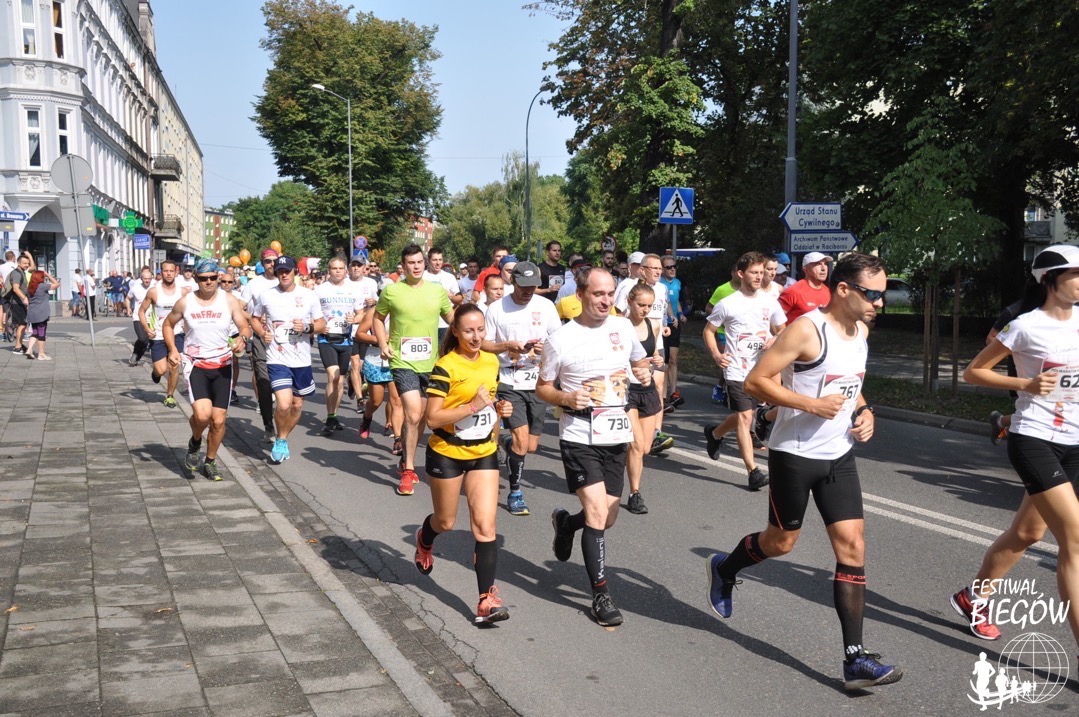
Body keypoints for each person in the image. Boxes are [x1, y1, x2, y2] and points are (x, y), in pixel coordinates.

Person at [704, 252, 902, 692]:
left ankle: (855, 659)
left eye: (883, 295)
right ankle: (725, 568)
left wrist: (865, 410)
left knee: (853, 546)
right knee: (781, 542)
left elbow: (852, 382)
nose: (880, 303)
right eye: (873, 294)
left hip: (839, 454)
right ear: (844, 290)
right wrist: (811, 404)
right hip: (794, 454)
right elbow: (756, 381)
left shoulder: (861, 331)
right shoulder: (806, 330)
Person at [950, 245, 1079, 649]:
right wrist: (1026, 384)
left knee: (1027, 532)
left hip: (1075, 441)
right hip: (1035, 437)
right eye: (1075, 273)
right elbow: (974, 372)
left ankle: (973, 597)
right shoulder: (1025, 326)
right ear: (1050, 280)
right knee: (1075, 541)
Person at [537, 268, 652, 627]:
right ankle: (601, 595)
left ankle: (567, 524)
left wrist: (644, 372)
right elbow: (543, 387)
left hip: (614, 434)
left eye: (610, 293)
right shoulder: (561, 338)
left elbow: (638, 363)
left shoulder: (622, 327)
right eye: (598, 294)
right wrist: (565, 397)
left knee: (608, 517)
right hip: (579, 435)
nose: (605, 300)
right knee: (598, 515)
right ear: (581, 295)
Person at [413, 303, 515, 624]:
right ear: (455, 331)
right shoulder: (446, 367)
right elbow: (432, 418)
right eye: (468, 331)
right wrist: (472, 406)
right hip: (447, 452)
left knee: (485, 527)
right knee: (445, 522)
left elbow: (491, 402)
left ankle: (486, 600)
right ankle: (425, 538)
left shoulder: (491, 361)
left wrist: (500, 409)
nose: (476, 336)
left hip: (483, 452)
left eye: (480, 330)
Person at [482, 261, 562, 516]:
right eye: (523, 286)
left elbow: (559, 340)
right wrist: (508, 345)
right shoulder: (497, 308)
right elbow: (484, 344)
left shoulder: (546, 306)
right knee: (522, 441)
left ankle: (507, 442)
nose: (528, 291)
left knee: (530, 446)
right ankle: (515, 492)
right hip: (509, 379)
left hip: (538, 380)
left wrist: (545, 348)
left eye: (533, 286)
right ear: (512, 282)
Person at [374, 244, 455, 496]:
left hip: (431, 363)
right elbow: (378, 318)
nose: (416, 266)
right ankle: (408, 470)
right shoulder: (392, 291)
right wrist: (383, 343)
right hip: (402, 361)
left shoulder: (436, 290)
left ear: (425, 263)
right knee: (412, 412)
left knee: (420, 417)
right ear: (403, 265)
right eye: (411, 263)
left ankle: (406, 457)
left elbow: (453, 320)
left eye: (420, 262)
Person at [702, 251, 787, 490]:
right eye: (754, 272)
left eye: (761, 272)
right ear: (741, 274)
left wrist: (775, 338)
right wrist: (717, 355)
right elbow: (708, 331)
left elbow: (783, 329)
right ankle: (753, 472)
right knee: (745, 417)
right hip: (736, 370)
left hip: (762, 369)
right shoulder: (727, 304)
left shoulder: (769, 301)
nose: (759, 277)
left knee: (750, 413)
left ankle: (715, 434)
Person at [163, 259, 252, 481]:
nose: (209, 282)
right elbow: (168, 324)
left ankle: (210, 461)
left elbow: (244, 326)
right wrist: (172, 349)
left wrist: (242, 338)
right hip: (197, 365)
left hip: (223, 365)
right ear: (196, 279)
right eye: (204, 279)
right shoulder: (185, 303)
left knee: (219, 420)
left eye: (213, 278)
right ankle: (195, 442)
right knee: (202, 416)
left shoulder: (228, 300)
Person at [250, 256, 325, 464]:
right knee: (283, 405)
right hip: (277, 357)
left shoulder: (309, 296)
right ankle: (280, 441)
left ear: (295, 272)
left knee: (297, 405)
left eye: (287, 271)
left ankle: (282, 438)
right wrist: (262, 333)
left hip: (301, 359)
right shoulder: (266, 295)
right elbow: (254, 319)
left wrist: (308, 328)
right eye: (280, 271)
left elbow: (321, 324)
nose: (284, 274)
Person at [616, 254, 675, 455]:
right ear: (642, 270)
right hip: (632, 339)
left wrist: (664, 325)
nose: (658, 271)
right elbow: (617, 312)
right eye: (654, 268)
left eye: (660, 268)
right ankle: (625, 425)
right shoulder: (628, 286)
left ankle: (656, 431)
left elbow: (661, 313)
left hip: (654, 339)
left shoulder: (662, 289)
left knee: (657, 385)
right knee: (633, 385)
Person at [623, 283, 665, 514]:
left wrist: (657, 361)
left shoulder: (654, 325)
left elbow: (654, 354)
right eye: (641, 305)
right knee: (637, 445)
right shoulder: (619, 326)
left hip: (647, 389)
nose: (645, 310)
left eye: (649, 306)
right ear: (629, 301)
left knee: (646, 448)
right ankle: (635, 493)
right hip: (625, 390)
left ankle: (621, 454)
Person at [316, 256, 367, 434]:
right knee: (333, 376)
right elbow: (311, 314)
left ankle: (333, 416)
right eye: (334, 268)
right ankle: (330, 416)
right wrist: (318, 326)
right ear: (329, 270)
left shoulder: (353, 290)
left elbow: (361, 314)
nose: (337, 271)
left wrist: (355, 319)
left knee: (340, 381)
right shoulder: (320, 290)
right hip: (326, 339)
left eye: (340, 268)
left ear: (345, 270)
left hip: (346, 339)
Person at [242, 249, 281, 442]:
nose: (272, 264)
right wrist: (255, 319)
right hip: (261, 338)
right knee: (264, 383)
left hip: (284, 340)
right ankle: (269, 427)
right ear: (262, 263)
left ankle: (282, 428)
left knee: (286, 390)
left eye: (275, 261)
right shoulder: (254, 284)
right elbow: (239, 307)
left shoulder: (286, 281)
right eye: (267, 261)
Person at [139, 260, 189, 407]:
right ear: (161, 273)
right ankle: (155, 373)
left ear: (176, 272)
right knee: (161, 370)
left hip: (177, 333)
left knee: (174, 365)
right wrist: (147, 328)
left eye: (171, 271)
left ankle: (170, 396)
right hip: (159, 335)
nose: (168, 274)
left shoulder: (183, 292)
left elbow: (190, 311)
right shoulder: (154, 291)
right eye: (165, 271)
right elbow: (141, 311)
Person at [355, 305, 403, 445]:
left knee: (397, 401)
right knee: (376, 401)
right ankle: (367, 417)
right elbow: (360, 334)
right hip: (376, 359)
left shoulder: (405, 308)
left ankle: (398, 440)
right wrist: (380, 339)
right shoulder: (374, 311)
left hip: (397, 360)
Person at [660, 256, 688, 409]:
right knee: (664, 362)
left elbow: (675, 301)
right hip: (663, 325)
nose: (672, 269)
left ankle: (673, 393)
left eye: (674, 266)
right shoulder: (659, 283)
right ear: (662, 269)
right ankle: (662, 396)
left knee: (673, 360)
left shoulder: (677, 282)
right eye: (668, 267)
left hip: (675, 324)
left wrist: (681, 314)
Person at [424, 247, 465, 342]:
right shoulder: (422, 276)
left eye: (440, 260)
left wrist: (448, 294)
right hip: (427, 323)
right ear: (428, 261)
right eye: (434, 260)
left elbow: (459, 299)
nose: (438, 263)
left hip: (445, 324)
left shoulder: (449, 277)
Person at [218, 267, 247, 402]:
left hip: (234, 332)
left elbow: (243, 313)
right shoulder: (215, 295)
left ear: (234, 284)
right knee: (220, 360)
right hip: (219, 333)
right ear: (220, 282)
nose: (226, 284)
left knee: (234, 361)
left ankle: (232, 389)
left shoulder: (238, 297)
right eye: (224, 282)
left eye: (230, 282)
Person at [779, 252, 832, 323]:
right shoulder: (794, 291)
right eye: (818, 264)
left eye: (825, 264)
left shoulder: (829, 292)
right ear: (805, 269)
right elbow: (775, 319)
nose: (823, 268)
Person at [24, 269, 59, 360]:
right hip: (41, 313)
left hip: (32, 313)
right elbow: (56, 284)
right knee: (41, 333)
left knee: (35, 332)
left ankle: (29, 349)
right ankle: (41, 354)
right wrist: (48, 275)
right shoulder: (42, 286)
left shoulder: (29, 288)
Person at [4, 252, 33, 352]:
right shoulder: (17, 273)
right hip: (17, 302)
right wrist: (24, 298)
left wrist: (29, 256)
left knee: (22, 324)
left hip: (19, 302)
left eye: (28, 263)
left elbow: (32, 267)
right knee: (21, 324)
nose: (27, 265)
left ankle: (20, 344)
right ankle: (17, 347)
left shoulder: (22, 272)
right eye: (24, 263)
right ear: (19, 263)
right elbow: (16, 288)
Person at [127, 268, 155, 366]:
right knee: (142, 338)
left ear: (151, 278)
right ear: (141, 278)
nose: (147, 281)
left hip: (150, 318)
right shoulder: (135, 288)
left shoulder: (155, 288)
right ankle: (135, 354)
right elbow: (128, 298)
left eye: (149, 279)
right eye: (145, 279)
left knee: (147, 340)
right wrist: (128, 308)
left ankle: (137, 357)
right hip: (138, 316)